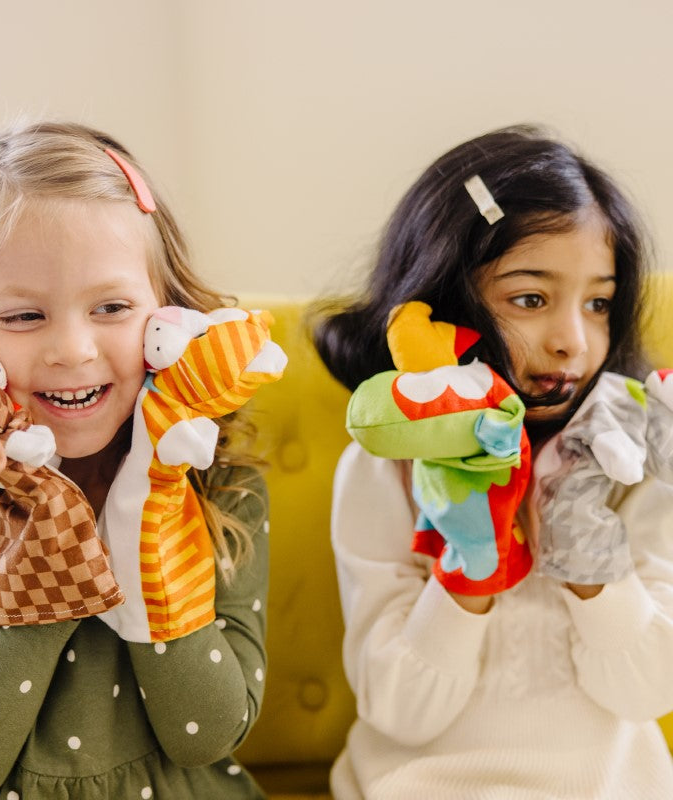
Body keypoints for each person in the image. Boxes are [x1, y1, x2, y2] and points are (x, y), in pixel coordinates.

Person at [0, 121, 271, 799]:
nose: (73, 349)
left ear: (169, 319)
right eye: (25, 316)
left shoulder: (219, 483)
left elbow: (207, 733)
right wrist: (51, 552)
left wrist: (141, 523)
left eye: (111, 306)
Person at [313, 124, 673, 799]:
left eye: (598, 302)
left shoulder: (637, 455)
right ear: (441, 301)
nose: (572, 340)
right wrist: (469, 561)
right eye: (530, 299)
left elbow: (647, 689)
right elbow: (400, 709)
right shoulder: (380, 466)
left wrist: (584, 544)